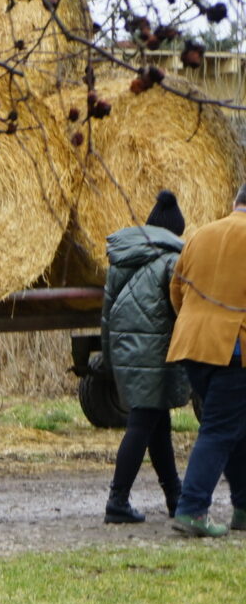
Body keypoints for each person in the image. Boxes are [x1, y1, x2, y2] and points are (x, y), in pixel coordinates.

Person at [99, 191, 189, 523]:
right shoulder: (171, 260)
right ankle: (117, 500)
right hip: (154, 354)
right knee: (142, 423)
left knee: (156, 424)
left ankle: (174, 496)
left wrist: (108, 357)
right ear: (174, 232)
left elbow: (107, 314)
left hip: (127, 352)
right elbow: (180, 309)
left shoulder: (123, 257)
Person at [166, 178, 246, 538]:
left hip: (192, 346)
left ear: (235, 202)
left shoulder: (201, 234)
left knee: (236, 430)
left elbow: (176, 288)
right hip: (234, 347)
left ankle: (243, 509)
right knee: (219, 429)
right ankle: (192, 509)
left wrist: (194, 323)